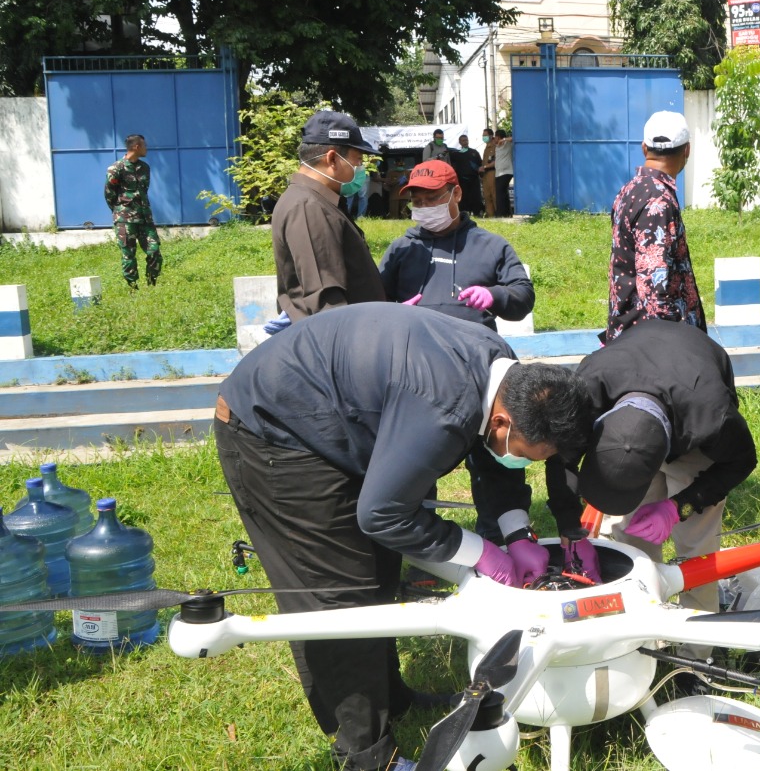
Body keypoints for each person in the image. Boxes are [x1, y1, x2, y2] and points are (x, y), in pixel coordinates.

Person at [212, 302, 591, 771]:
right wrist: (480, 551)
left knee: (379, 574)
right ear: (500, 422)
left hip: (336, 418)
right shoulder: (444, 409)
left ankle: (392, 697)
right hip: (273, 432)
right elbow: (384, 515)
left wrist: (516, 532)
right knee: (340, 595)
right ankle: (368, 755)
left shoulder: (505, 375)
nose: (525, 463)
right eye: (527, 454)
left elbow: (492, 461)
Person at [545, 319, 757, 647]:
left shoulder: (713, 417)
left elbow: (740, 463)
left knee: (696, 548)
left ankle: (698, 656)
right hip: (639, 376)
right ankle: (639, 638)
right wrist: (569, 528)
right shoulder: (584, 391)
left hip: (691, 406)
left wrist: (679, 506)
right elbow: (562, 458)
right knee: (629, 538)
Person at [379, 159, 536, 540]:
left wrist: (495, 295)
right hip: (418, 376)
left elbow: (523, 296)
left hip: (482, 377)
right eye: (416, 198)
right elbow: (372, 306)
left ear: (456, 194)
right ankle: (424, 547)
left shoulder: (491, 246)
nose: (423, 205)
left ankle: (506, 537)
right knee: (415, 466)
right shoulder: (403, 250)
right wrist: (392, 314)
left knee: (496, 462)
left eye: (432, 197)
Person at [271, 110, 386, 324]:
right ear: (332, 158)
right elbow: (325, 300)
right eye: (358, 160)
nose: (360, 168)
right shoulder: (308, 207)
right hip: (343, 341)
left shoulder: (318, 200)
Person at [603, 110, 705, 343]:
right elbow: (654, 290)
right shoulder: (657, 201)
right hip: (652, 345)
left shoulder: (631, 189)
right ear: (687, 150)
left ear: (644, 148)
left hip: (633, 335)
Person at [103, 133, 162, 288]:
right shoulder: (116, 168)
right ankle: (133, 288)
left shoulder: (144, 168)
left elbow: (144, 191)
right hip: (125, 219)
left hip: (145, 219)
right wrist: (119, 211)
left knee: (154, 250)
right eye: (144, 145)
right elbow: (109, 193)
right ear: (137, 147)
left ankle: (152, 284)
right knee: (128, 254)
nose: (146, 148)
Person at [449, 134, 485, 216]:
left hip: (474, 179)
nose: (465, 142)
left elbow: (480, 165)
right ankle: (464, 213)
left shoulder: (474, 152)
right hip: (462, 180)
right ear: (460, 142)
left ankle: (477, 213)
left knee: (475, 197)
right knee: (463, 198)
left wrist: (481, 174)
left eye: (466, 140)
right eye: (463, 140)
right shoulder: (455, 154)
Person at [492, 128, 514, 217]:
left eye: (496, 137)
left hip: (506, 172)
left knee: (500, 193)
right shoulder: (497, 147)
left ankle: (501, 213)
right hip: (499, 173)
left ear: (499, 137)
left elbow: (514, 138)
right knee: (502, 193)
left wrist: (504, 140)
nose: (494, 139)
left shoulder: (507, 144)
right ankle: (507, 213)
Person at [479, 127, 498, 217]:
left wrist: (485, 166)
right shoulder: (486, 148)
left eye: (485, 135)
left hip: (492, 172)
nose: (484, 137)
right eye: (483, 136)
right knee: (487, 195)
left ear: (491, 136)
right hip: (485, 174)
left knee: (494, 194)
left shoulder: (495, 146)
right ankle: (490, 215)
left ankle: (498, 213)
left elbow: (496, 161)